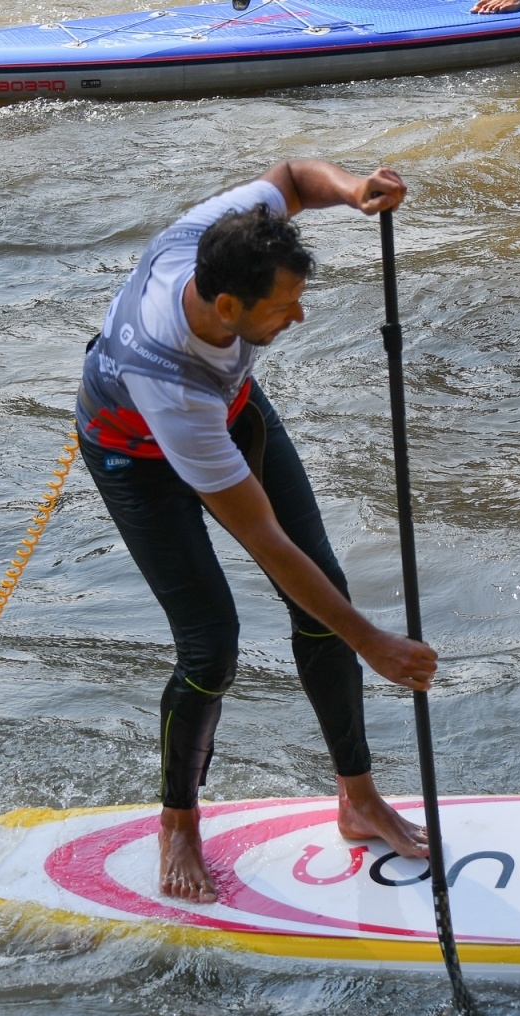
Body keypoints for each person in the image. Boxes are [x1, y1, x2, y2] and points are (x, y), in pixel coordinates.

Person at [76, 160, 440, 904]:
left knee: (325, 596)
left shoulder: (205, 240)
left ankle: (358, 797)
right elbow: (268, 544)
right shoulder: (170, 381)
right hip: (132, 451)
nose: (299, 317)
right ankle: (178, 823)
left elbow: (293, 177)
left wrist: (351, 192)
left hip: (228, 407)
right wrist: (373, 642)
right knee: (212, 645)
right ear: (229, 304)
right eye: (286, 306)